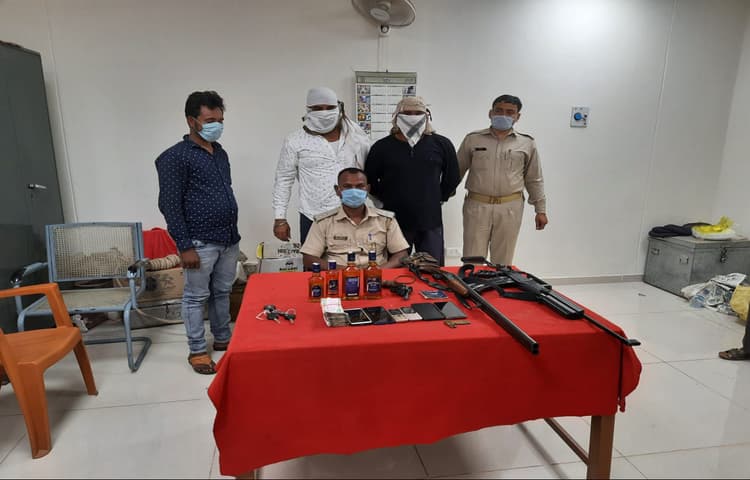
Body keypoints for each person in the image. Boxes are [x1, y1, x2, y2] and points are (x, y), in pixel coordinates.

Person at [155, 90, 240, 375]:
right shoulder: (174, 157)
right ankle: (197, 351)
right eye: (210, 120)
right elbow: (169, 205)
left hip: (228, 238)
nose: (217, 125)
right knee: (195, 296)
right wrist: (185, 246)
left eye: (220, 120)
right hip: (199, 241)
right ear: (191, 121)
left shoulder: (220, 153)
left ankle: (223, 338)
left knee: (222, 291)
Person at [364, 96, 460, 266]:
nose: (413, 117)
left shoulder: (441, 144)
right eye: (407, 113)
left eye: (418, 113)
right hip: (394, 219)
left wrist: (437, 197)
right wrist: (385, 198)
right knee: (394, 269)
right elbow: (369, 179)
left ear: (427, 116)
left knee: (432, 270)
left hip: (430, 219)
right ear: (397, 116)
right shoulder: (381, 147)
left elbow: (452, 177)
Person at [457, 94, 548, 266]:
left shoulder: (527, 143)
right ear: (490, 113)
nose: (503, 115)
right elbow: (456, 171)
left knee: (503, 261)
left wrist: (540, 210)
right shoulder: (473, 139)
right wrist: (440, 197)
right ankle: (472, 284)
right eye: (499, 110)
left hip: (510, 207)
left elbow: (534, 178)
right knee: (472, 259)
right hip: (477, 206)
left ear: (517, 116)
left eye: (509, 112)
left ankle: (499, 283)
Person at [273, 87, 371, 244]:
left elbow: (370, 171)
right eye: (318, 108)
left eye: (329, 108)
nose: (324, 112)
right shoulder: (295, 141)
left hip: (353, 214)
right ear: (308, 110)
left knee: (354, 258)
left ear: (338, 107)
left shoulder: (356, 136)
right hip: (313, 217)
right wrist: (280, 218)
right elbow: (284, 179)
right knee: (313, 259)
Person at [301, 168, 409, 270]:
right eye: (347, 186)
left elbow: (401, 254)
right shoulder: (323, 222)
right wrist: (345, 271)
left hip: (377, 277)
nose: (354, 191)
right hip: (337, 276)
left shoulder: (386, 220)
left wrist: (377, 271)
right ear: (337, 190)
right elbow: (309, 259)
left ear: (367, 189)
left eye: (360, 186)